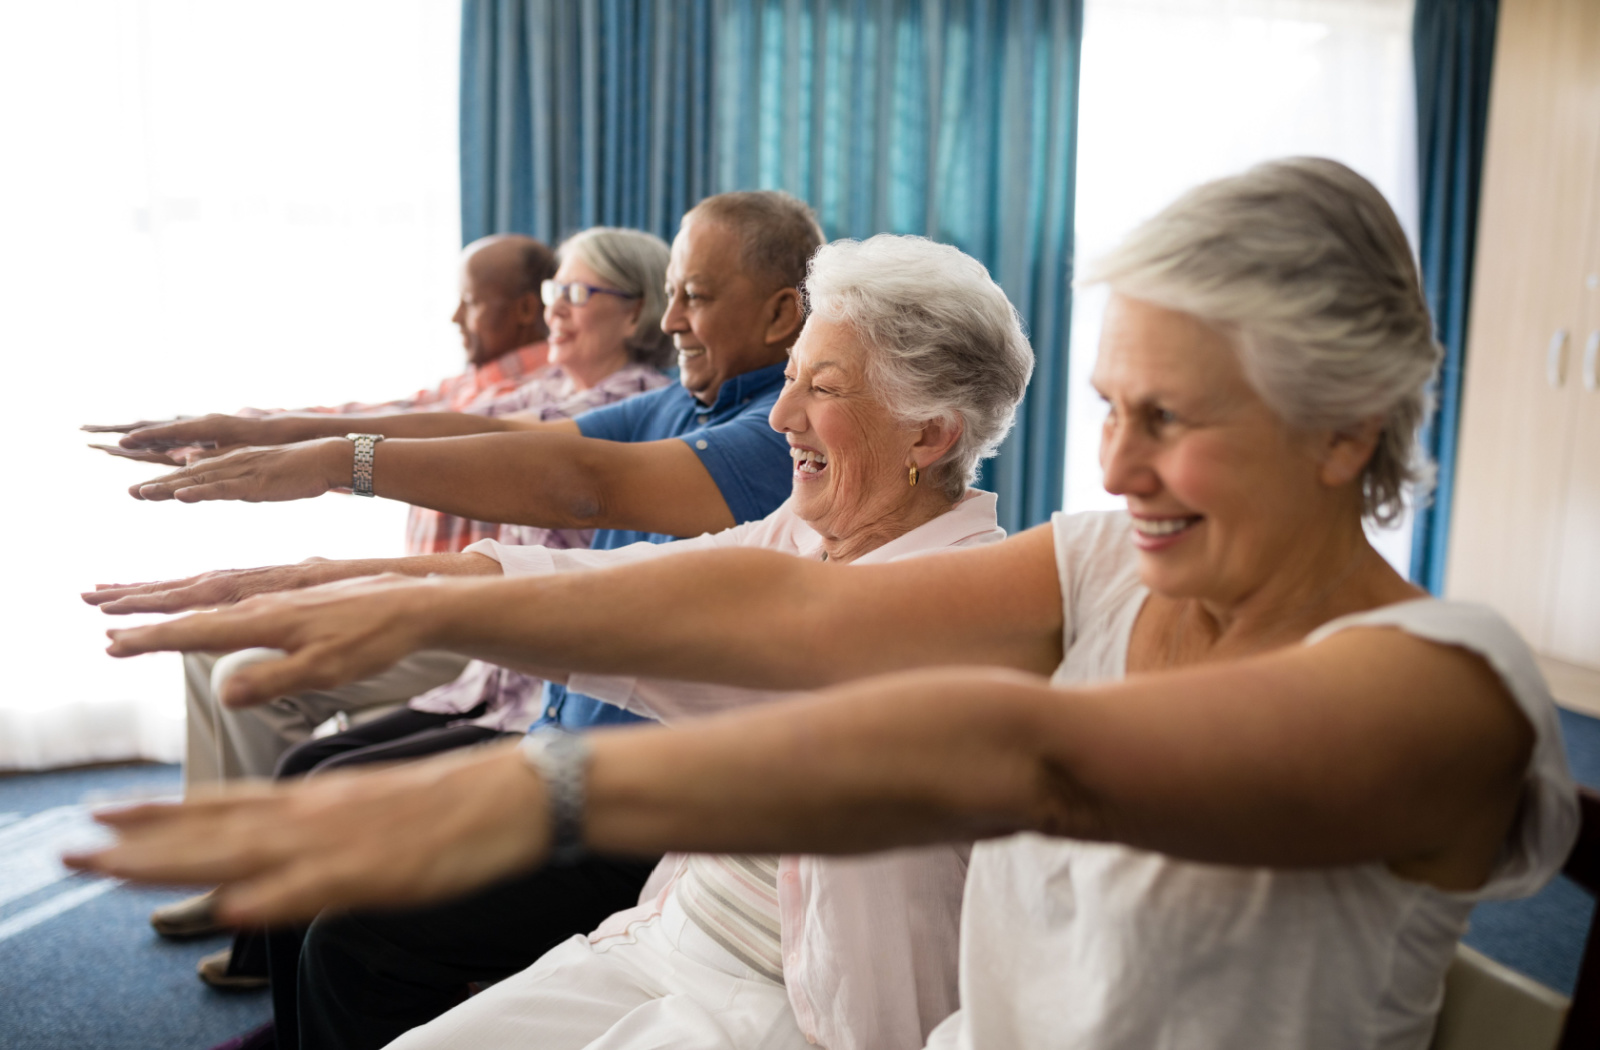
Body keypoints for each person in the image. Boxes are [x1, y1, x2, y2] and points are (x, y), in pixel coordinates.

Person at [74, 159, 1576, 1050]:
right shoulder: (1105, 556)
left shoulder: (1447, 683)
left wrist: (548, 786)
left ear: (1345, 430)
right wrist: (395, 591)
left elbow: (1018, 755)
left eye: (1170, 419)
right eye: (1112, 407)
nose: (1118, 464)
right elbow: (768, 616)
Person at [84, 233, 1033, 1050]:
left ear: (929, 436)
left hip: (792, 1007)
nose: (782, 416)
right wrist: (320, 575)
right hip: (667, 933)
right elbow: (589, 580)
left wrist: (356, 536)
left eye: (819, 389)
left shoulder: (965, 608)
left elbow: (588, 505)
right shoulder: (801, 526)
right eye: (789, 383)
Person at [146, 224, 675, 983]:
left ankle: (275, 952)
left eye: (576, 293)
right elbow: (423, 422)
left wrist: (311, 466)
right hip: (488, 672)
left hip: (535, 684)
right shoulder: (549, 388)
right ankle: (266, 942)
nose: (555, 307)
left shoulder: (637, 405)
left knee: (318, 774)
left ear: (636, 313)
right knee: (309, 761)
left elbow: (480, 441)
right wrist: (252, 438)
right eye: (554, 290)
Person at [86, 233, 564, 556]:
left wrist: (254, 437)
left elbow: (401, 440)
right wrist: (227, 431)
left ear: (526, 309)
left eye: (473, 302)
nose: (456, 318)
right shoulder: (466, 384)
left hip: (469, 622)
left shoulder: (546, 394)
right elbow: (364, 417)